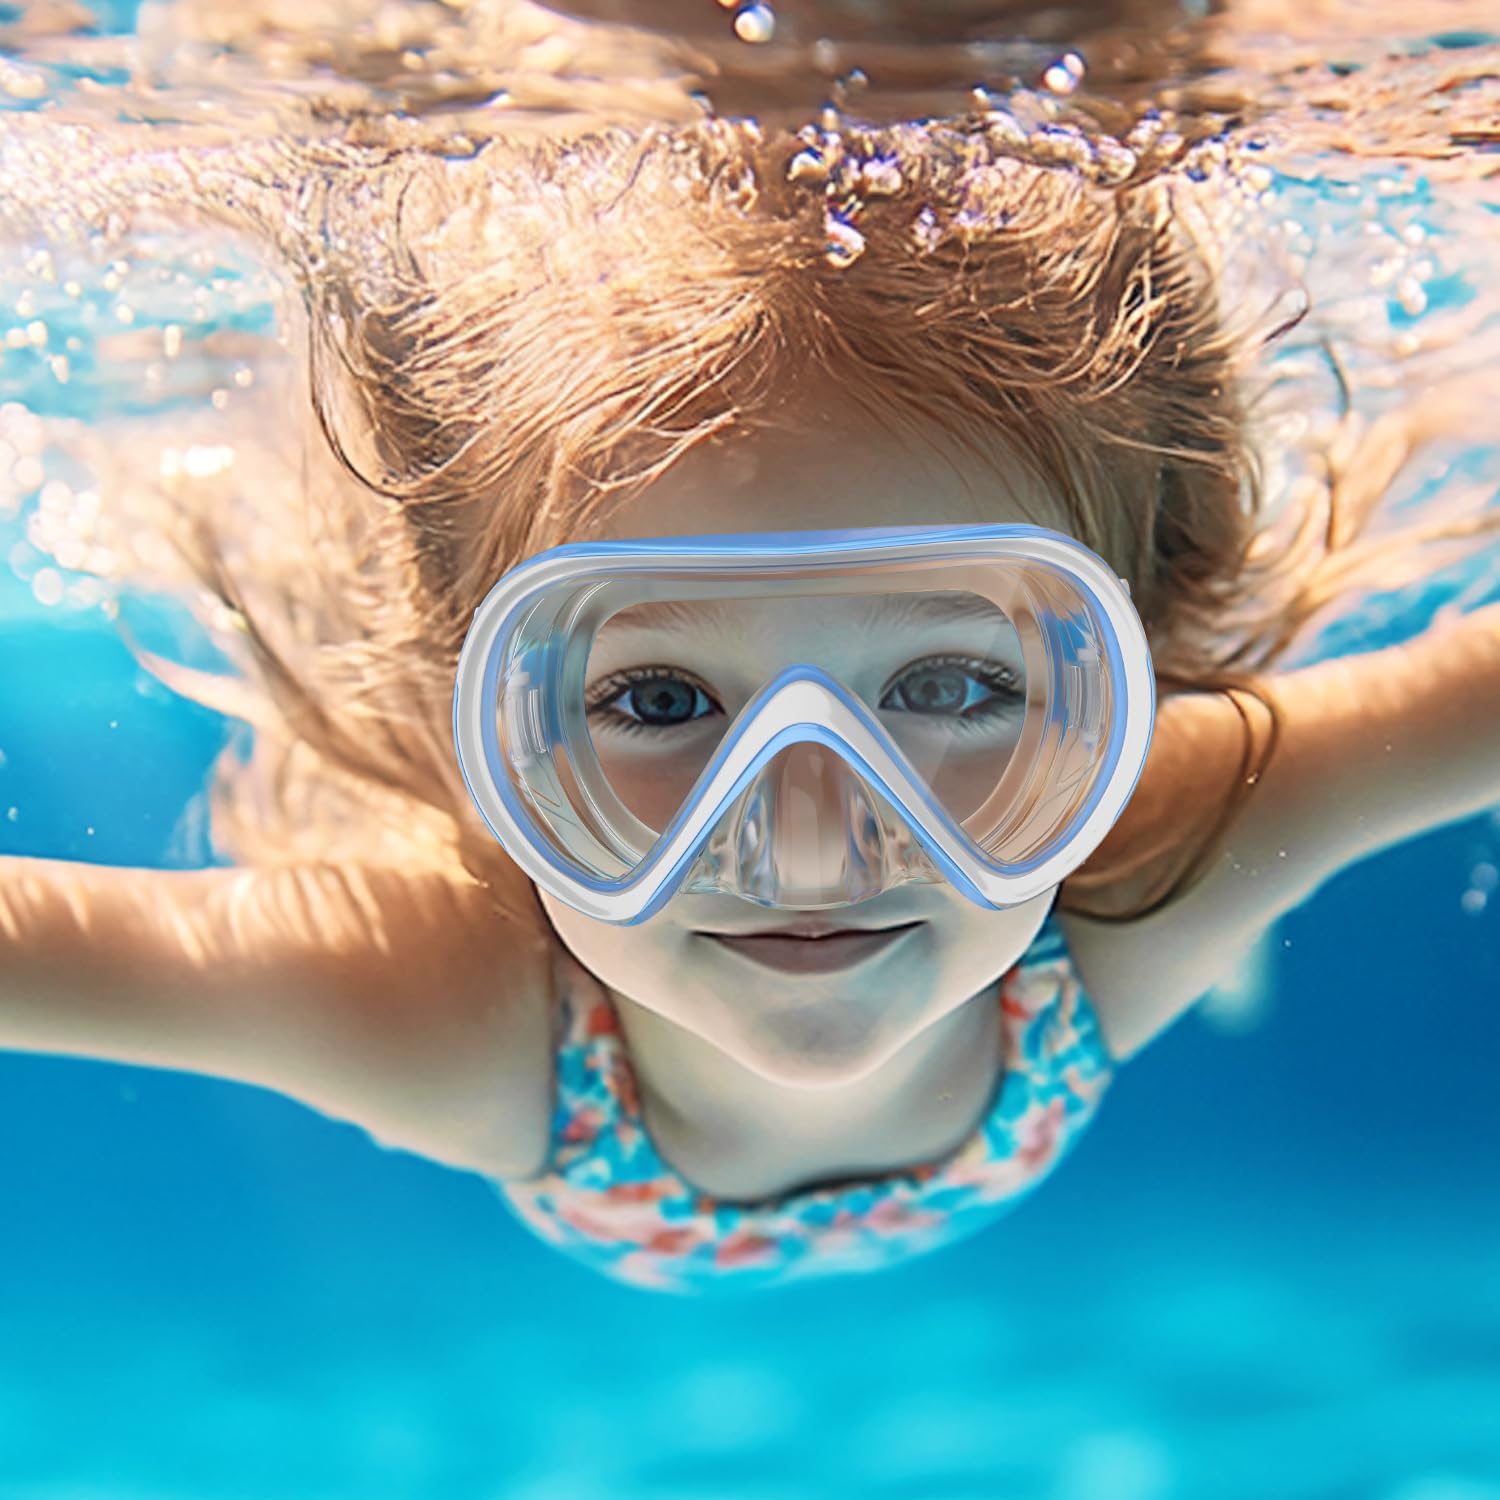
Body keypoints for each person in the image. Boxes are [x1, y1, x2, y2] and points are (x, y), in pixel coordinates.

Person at [2, 110, 1498, 1293]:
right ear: (476, 707)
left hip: (1145, 898)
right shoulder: (458, 1018)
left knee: (1217, 867)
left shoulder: (1137, 862)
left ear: (1131, 665)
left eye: (954, 684)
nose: (805, 847)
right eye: (657, 699)